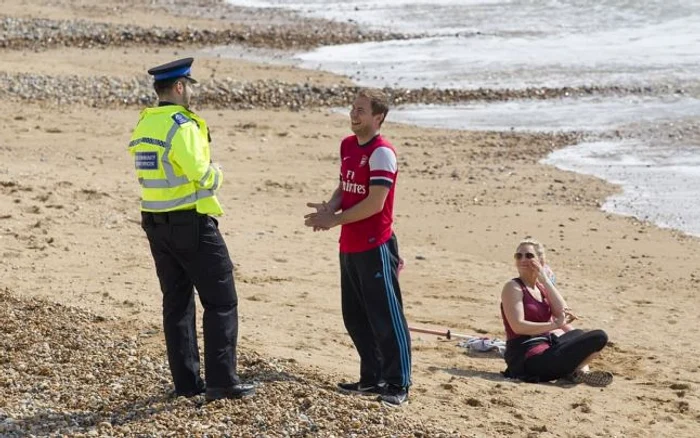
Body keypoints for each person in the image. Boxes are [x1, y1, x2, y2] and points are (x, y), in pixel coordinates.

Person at [128, 58, 254, 402]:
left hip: (155, 221)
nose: (190, 93)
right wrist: (219, 173)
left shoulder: (145, 123)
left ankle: (186, 383)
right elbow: (201, 173)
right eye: (189, 86)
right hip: (191, 222)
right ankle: (221, 382)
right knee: (221, 302)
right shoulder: (181, 125)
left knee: (177, 302)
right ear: (180, 87)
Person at [304, 89, 411, 407]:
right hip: (348, 244)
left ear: (378, 117)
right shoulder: (348, 145)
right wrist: (330, 208)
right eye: (352, 108)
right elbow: (345, 185)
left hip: (375, 244)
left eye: (361, 110)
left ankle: (397, 383)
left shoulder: (382, 152)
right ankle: (372, 378)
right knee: (354, 316)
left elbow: (375, 203)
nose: (354, 114)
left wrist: (334, 219)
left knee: (386, 316)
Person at [500, 238, 613, 386]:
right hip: (527, 359)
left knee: (581, 334)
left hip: (547, 349)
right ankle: (577, 372)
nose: (523, 259)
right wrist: (554, 325)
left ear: (541, 261)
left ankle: (575, 372)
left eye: (529, 256)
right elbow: (518, 326)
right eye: (518, 256)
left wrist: (545, 280)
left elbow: (564, 313)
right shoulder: (513, 287)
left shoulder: (541, 288)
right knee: (599, 336)